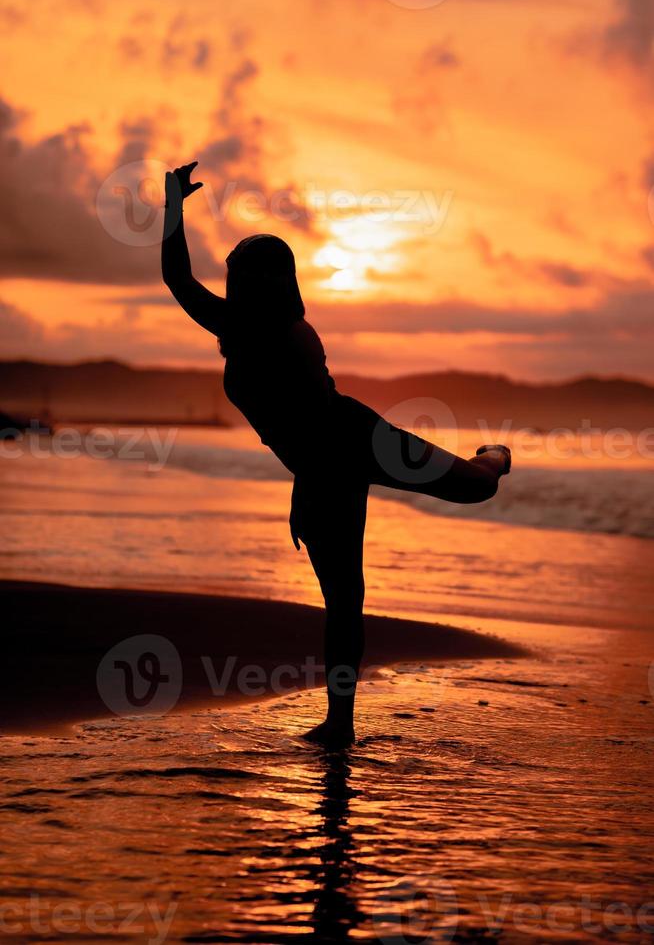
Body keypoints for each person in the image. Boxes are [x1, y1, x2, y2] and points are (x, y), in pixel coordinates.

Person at [162, 162, 511, 749]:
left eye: (271, 275)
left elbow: (314, 432)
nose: (261, 284)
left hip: (352, 441)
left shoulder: (279, 333)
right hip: (330, 458)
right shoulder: (240, 325)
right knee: (344, 598)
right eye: (253, 275)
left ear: (282, 283)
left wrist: (303, 491)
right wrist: (173, 207)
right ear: (242, 283)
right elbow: (178, 280)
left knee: (479, 485)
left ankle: (495, 453)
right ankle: (341, 724)